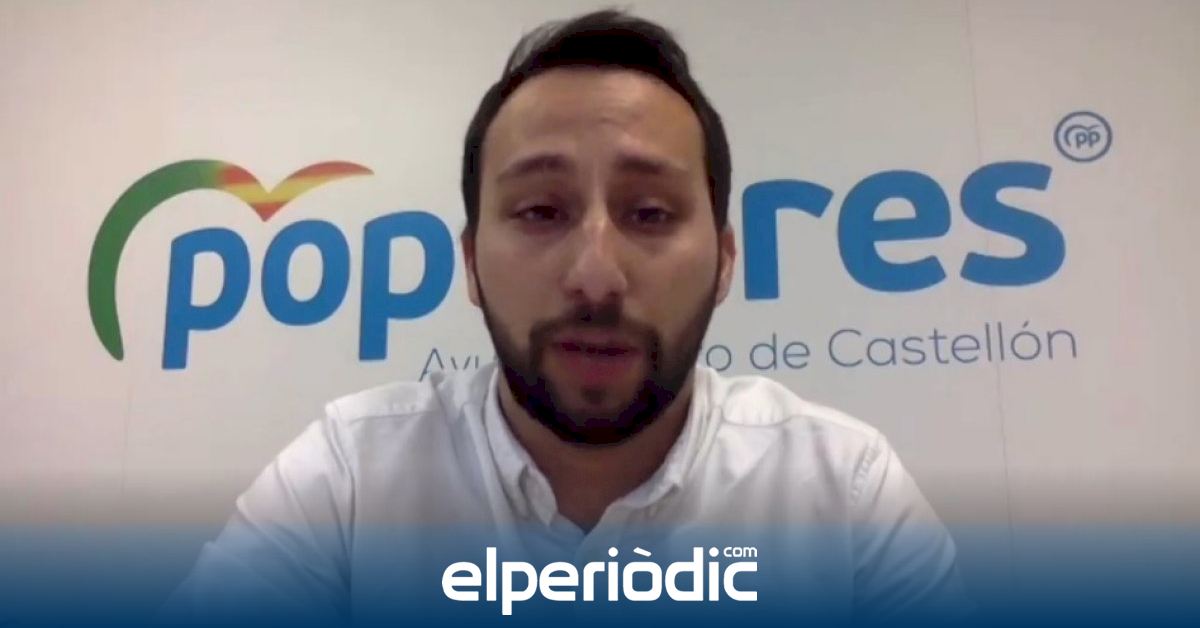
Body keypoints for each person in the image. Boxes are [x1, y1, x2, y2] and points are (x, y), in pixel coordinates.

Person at [164, 9, 970, 625]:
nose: (595, 276)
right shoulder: (350, 481)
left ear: (726, 260)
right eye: (541, 211)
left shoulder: (843, 491)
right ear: (470, 261)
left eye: (650, 213)